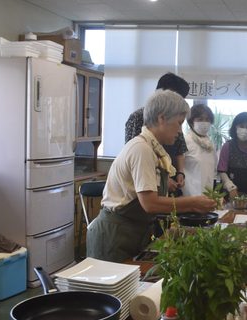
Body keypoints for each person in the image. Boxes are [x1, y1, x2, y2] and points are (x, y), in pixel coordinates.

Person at [87, 90, 216, 262]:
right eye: (179, 123)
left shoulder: (152, 149)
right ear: (162, 118)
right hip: (114, 237)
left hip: (132, 233)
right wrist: (193, 203)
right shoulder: (142, 149)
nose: (179, 131)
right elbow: (150, 203)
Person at [124, 72, 190, 196]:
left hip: (169, 178)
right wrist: (161, 180)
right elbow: (133, 157)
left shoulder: (174, 118)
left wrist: (180, 173)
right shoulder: (138, 118)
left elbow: (180, 149)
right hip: (147, 182)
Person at [217, 112, 247, 200]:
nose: (244, 129)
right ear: (235, 127)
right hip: (229, 192)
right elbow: (222, 170)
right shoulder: (227, 146)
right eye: (241, 126)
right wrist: (230, 187)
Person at [182, 103, 218, 196]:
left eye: (207, 119)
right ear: (191, 122)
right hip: (189, 196)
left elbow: (213, 170)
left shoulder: (210, 144)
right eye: (200, 119)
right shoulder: (185, 141)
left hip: (207, 195)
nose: (204, 122)